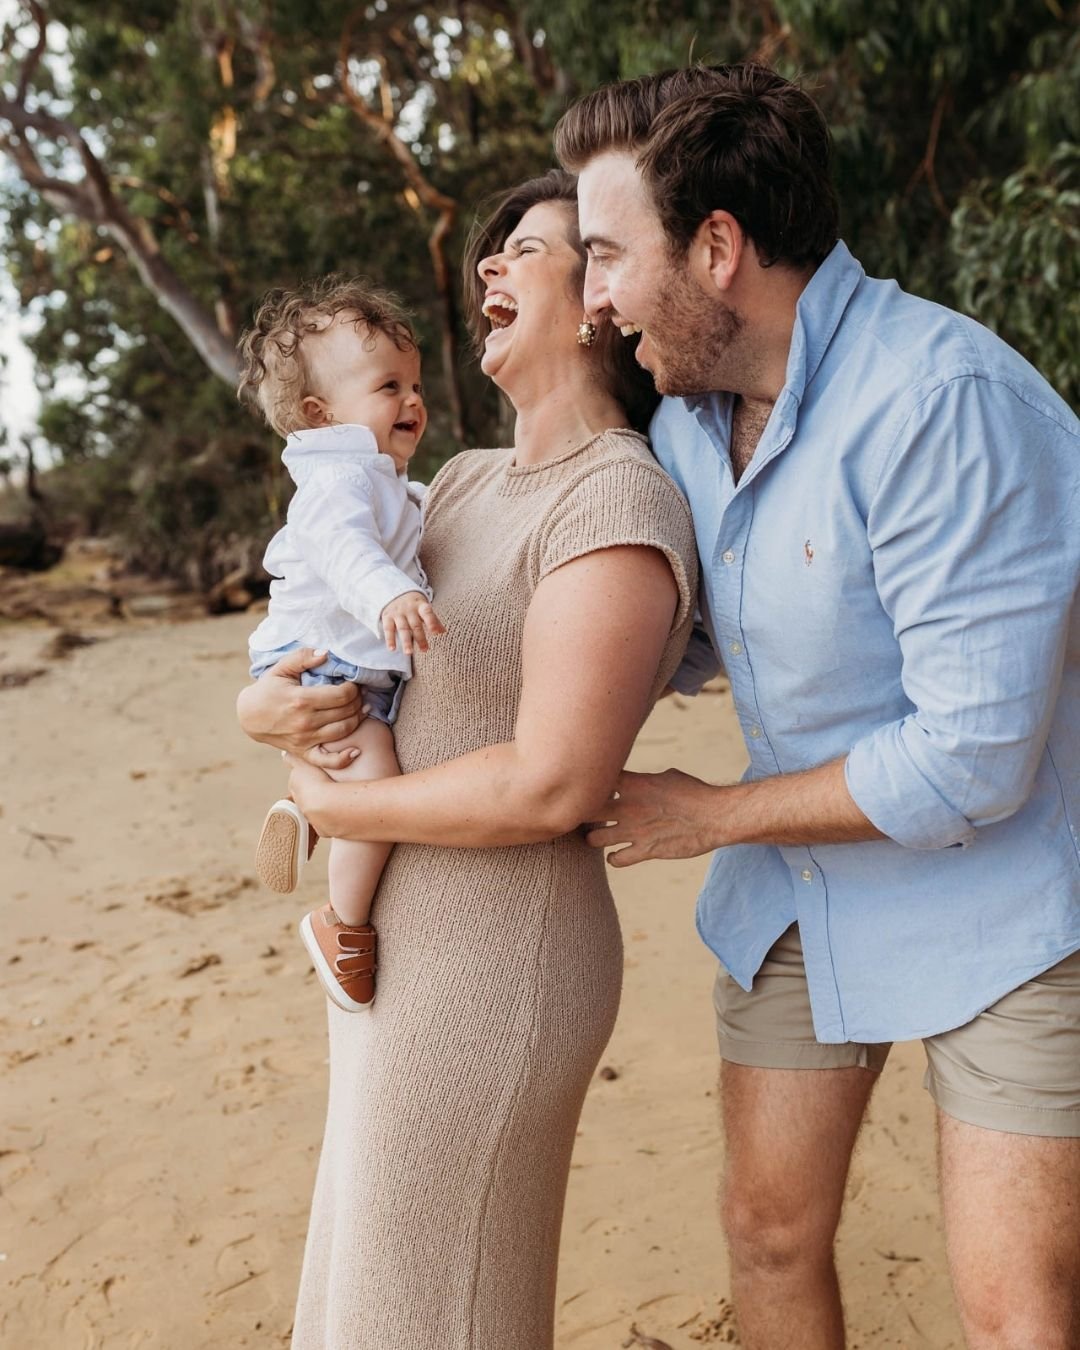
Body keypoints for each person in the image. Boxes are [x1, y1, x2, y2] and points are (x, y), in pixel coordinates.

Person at [556, 62, 1080, 1350]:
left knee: (1015, 1309)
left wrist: (712, 816)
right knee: (769, 1233)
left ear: (717, 247)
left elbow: (970, 763)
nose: (593, 299)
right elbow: (675, 641)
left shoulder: (939, 404)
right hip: (808, 889)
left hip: (1014, 901)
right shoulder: (686, 425)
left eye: (609, 255)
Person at [235, 169, 698, 1348]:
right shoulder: (458, 486)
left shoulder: (616, 500)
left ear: (603, 296)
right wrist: (263, 712)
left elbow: (552, 782)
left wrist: (337, 811)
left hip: (498, 957)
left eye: (528, 248)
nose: (489, 263)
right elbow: (333, 623)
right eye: (493, 249)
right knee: (367, 1282)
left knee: (432, 1308)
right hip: (397, 948)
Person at [238, 277, 444, 1012]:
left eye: (416, 385)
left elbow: (404, 527)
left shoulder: (385, 480)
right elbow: (345, 551)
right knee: (375, 776)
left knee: (351, 762)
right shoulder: (337, 479)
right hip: (327, 659)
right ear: (321, 415)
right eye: (389, 386)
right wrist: (391, 594)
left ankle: (306, 807)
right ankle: (342, 924)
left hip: (338, 660)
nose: (412, 401)